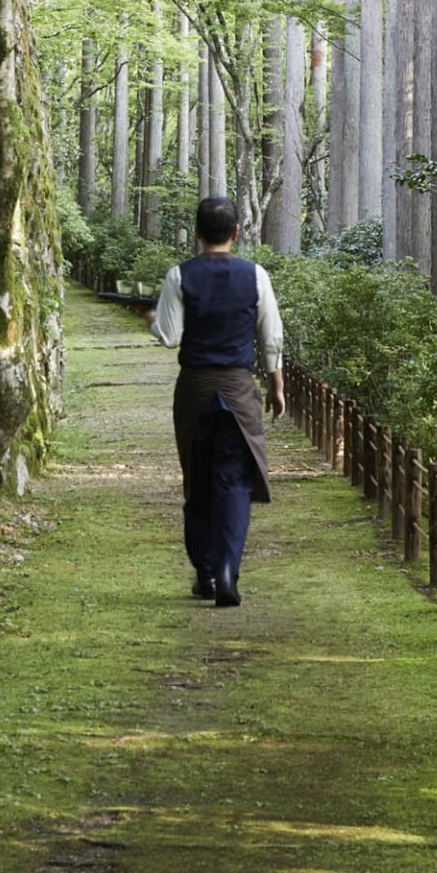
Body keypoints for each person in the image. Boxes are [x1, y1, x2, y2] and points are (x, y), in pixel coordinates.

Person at [142, 196, 286, 609]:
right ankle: (227, 571)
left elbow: (170, 336)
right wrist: (276, 386)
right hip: (239, 389)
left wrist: (152, 321)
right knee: (234, 482)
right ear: (236, 232)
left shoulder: (179, 274)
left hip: (194, 389)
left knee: (198, 479)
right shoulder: (256, 275)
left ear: (198, 233)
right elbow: (270, 337)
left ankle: (204, 573)